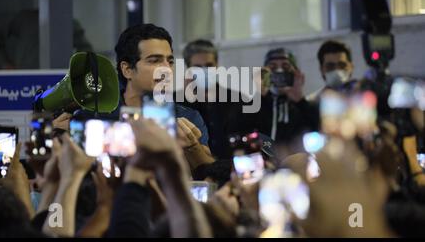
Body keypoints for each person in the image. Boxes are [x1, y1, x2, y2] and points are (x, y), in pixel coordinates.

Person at [114, 24, 214, 172]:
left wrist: (193, 147)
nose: (166, 69)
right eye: (154, 61)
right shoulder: (103, 116)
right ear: (127, 69)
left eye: (170, 61)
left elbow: (210, 174)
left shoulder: (186, 118)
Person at [229, 48, 319, 144]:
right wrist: (260, 96)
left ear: (295, 73)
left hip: (296, 158)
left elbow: (319, 131)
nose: (279, 71)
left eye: (286, 67)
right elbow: (237, 129)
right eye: (272, 67)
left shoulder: (305, 108)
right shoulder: (255, 106)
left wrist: (300, 101)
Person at [180, 39, 246, 159]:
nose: (204, 71)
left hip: (229, 171)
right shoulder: (177, 102)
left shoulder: (237, 100)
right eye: (197, 67)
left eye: (209, 65)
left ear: (217, 65)